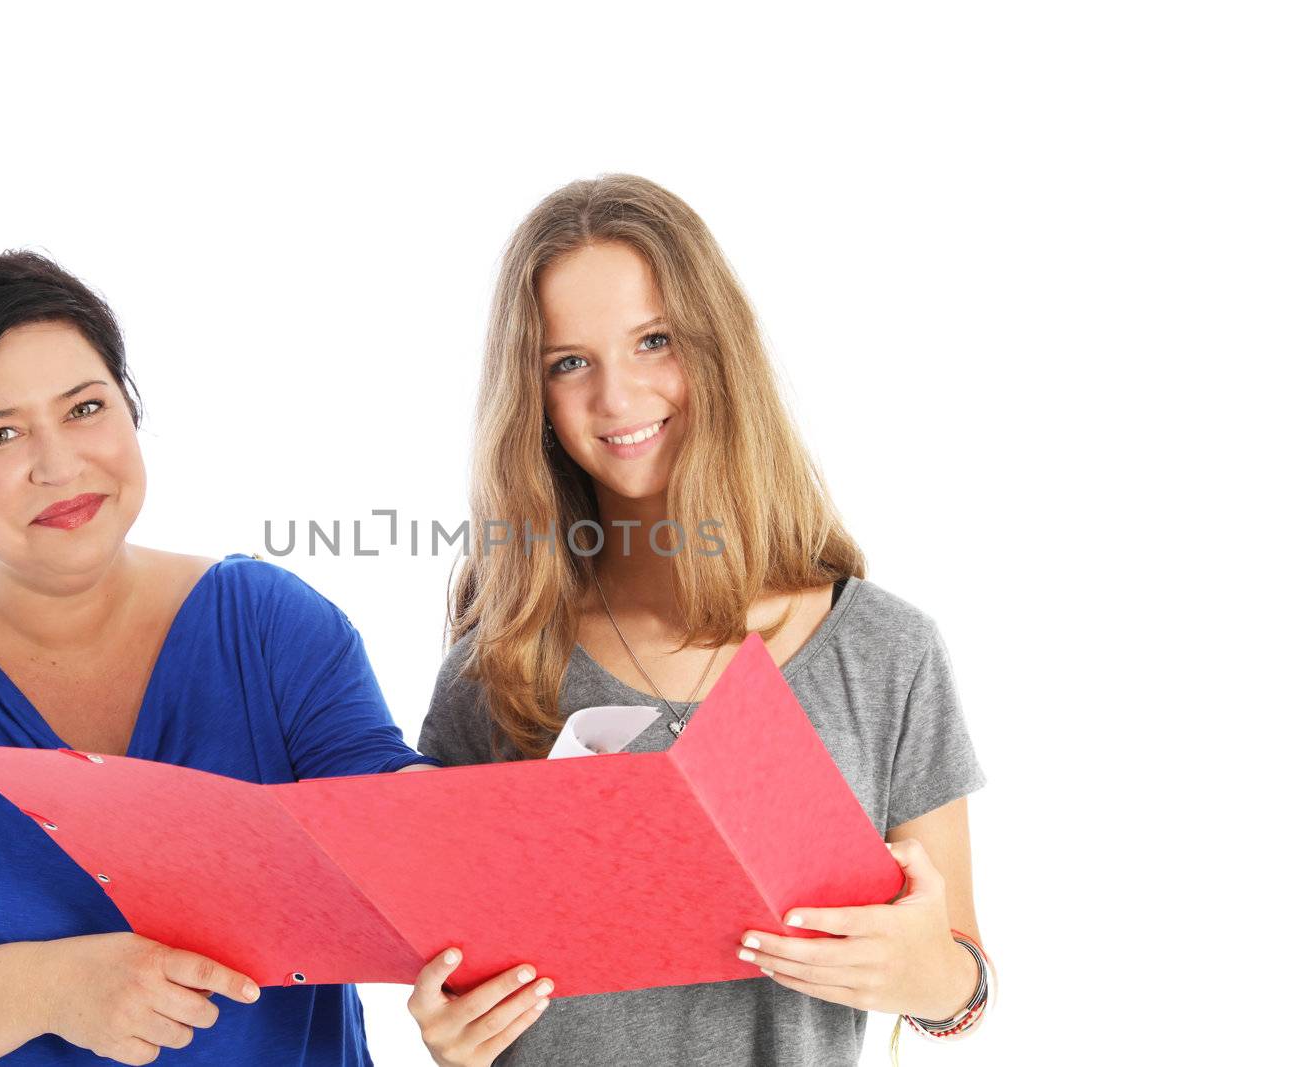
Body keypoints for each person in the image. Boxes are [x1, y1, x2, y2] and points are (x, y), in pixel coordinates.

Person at [0, 251, 440, 1067]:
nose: (59, 463)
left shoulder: (272, 627)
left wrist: (490, 827)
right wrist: (51, 987)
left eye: (84, 408)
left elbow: (388, 826)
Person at [406, 175, 992, 1066]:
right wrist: (449, 1038)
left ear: (718, 349)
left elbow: (961, 976)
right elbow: (449, 971)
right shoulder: (498, 668)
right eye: (569, 361)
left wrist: (935, 981)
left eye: (654, 341)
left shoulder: (883, 652)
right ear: (533, 398)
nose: (616, 395)